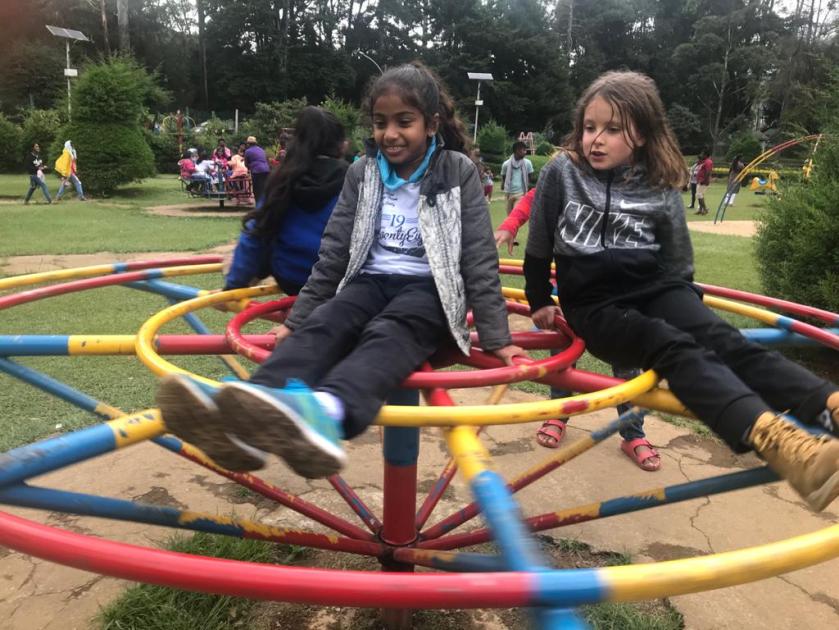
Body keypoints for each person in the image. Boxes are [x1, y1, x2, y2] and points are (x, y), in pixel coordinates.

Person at [157, 62, 525, 479]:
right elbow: (333, 252)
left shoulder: (455, 170)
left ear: (432, 124)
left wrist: (497, 338)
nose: (390, 134)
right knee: (327, 321)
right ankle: (251, 411)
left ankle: (328, 411)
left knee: (389, 332)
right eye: (380, 123)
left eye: (404, 122)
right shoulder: (363, 172)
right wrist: (298, 319)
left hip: (430, 290)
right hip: (370, 282)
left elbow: (478, 255)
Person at [524, 70, 839, 512]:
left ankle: (827, 405)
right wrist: (539, 299)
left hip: (656, 286)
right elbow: (539, 242)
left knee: (720, 336)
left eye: (612, 129)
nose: (596, 139)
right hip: (595, 304)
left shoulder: (658, 177)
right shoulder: (564, 170)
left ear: (641, 134)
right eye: (589, 127)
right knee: (669, 344)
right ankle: (782, 445)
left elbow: (676, 259)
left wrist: (686, 309)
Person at [495, 188, 658, 471]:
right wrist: (510, 225)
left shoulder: (630, 184)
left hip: (619, 293)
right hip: (574, 291)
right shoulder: (571, 179)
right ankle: (559, 414)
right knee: (562, 354)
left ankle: (633, 433)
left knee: (627, 365)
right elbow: (536, 197)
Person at [224, 107, 348, 296]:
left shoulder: (283, 179)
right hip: (336, 281)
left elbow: (255, 234)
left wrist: (233, 287)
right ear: (341, 145)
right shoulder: (352, 179)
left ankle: (246, 278)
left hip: (292, 277)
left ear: (297, 141)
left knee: (265, 235)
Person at [500, 141, 533, 215]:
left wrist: (527, 190)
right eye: (523, 150)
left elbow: (530, 176)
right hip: (509, 194)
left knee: (516, 214)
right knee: (509, 217)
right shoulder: (506, 164)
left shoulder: (528, 163)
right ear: (517, 150)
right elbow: (504, 177)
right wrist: (504, 187)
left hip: (521, 193)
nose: (525, 152)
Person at [245, 135, 271, 205]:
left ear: (248, 144)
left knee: (257, 189)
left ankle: (259, 205)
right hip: (266, 170)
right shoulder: (261, 149)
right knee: (264, 188)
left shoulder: (248, 151)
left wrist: (250, 167)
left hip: (257, 171)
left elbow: (246, 164)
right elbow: (266, 160)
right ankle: (266, 204)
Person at [694, 149, 713, 215]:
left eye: (702, 154)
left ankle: (704, 209)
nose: (701, 155)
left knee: (699, 195)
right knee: (698, 195)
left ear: (706, 155)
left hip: (703, 181)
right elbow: (698, 164)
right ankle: (700, 209)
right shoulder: (704, 161)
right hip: (700, 180)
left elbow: (708, 172)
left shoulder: (708, 162)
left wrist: (704, 180)